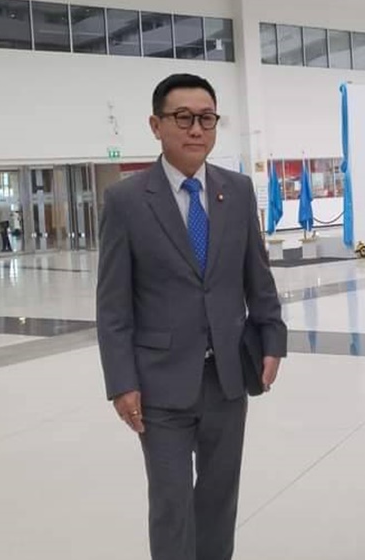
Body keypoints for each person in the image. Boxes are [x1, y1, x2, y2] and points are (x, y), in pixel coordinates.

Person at [96, 73, 287, 560]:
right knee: (171, 502)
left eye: (206, 118)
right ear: (156, 125)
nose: (197, 129)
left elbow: (258, 276)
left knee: (220, 498)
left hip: (227, 375)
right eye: (183, 118)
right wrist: (121, 382)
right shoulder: (126, 201)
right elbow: (113, 305)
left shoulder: (237, 191)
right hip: (160, 384)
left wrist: (273, 338)